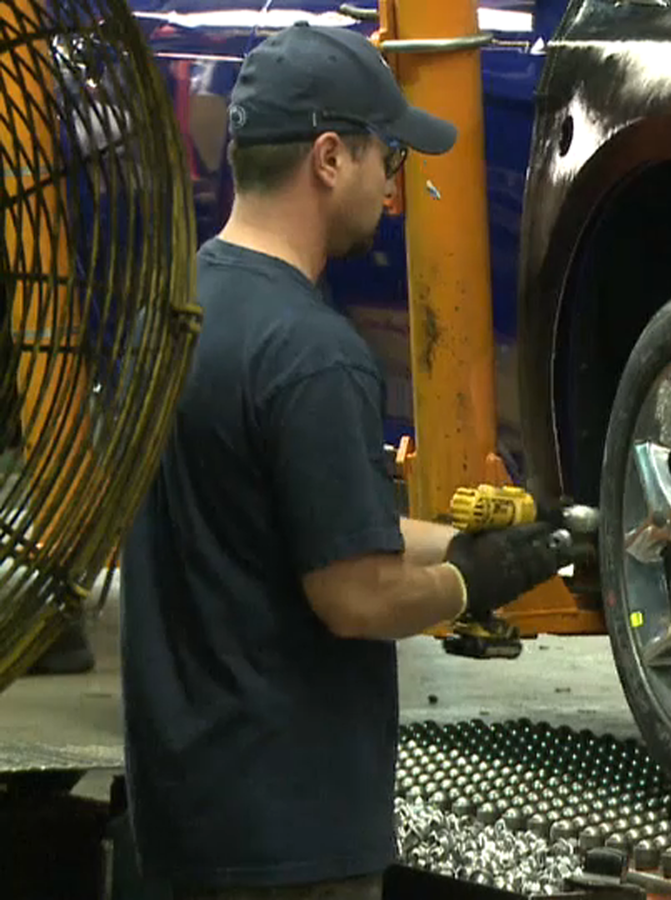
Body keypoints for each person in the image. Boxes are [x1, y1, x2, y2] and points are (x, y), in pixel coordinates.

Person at [117, 22, 569, 900]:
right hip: (291, 844)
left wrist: (472, 541)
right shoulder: (314, 353)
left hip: (181, 823)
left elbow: (290, 523)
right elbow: (354, 595)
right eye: (387, 158)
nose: (393, 189)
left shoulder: (171, 313)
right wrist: (470, 585)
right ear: (330, 158)